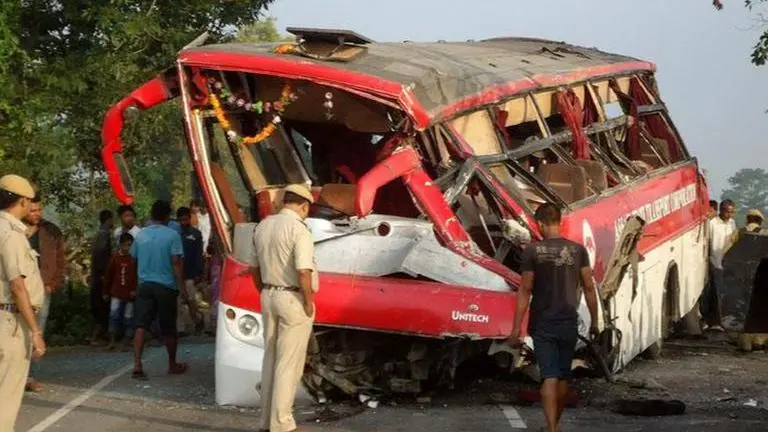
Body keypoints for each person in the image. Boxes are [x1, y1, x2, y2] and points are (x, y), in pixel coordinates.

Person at [508, 202, 599, 432]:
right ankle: (555, 426)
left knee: (548, 375)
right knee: (562, 376)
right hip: (568, 321)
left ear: (539, 223)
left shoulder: (532, 251)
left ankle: (550, 429)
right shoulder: (578, 251)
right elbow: (589, 286)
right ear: (559, 221)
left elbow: (525, 289)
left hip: (543, 323)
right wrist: (596, 322)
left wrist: (516, 327)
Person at [250, 184, 318, 432]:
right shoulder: (299, 229)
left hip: (268, 294)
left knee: (270, 358)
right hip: (293, 298)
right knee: (288, 363)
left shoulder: (263, 226)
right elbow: (303, 270)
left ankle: (265, 422)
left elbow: (253, 268)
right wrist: (308, 301)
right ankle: (282, 424)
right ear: (303, 205)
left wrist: (265, 290)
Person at [0, 174, 47, 431]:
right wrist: (36, 331)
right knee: (6, 398)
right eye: (29, 202)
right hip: (11, 322)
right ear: (21, 201)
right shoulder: (11, 234)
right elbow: (17, 285)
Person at [131, 200, 188, 379]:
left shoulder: (140, 236)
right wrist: (182, 289)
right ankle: (172, 364)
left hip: (145, 285)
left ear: (151, 214)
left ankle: (137, 364)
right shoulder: (172, 235)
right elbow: (176, 264)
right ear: (166, 217)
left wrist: (136, 283)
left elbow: (133, 260)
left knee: (140, 325)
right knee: (169, 328)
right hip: (166, 286)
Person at [23, 194, 66, 392]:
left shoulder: (51, 231)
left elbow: (60, 260)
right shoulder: (12, 230)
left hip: (42, 288)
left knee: (37, 331)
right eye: (32, 210)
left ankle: (30, 376)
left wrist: (53, 284)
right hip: (17, 289)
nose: (37, 214)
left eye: (39, 209)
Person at [702, 199, 736, 332]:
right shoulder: (713, 223)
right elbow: (708, 242)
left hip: (727, 263)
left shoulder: (732, 223)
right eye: (728, 212)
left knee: (724, 294)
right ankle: (713, 321)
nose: (730, 215)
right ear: (721, 211)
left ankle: (722, 321)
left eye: (732, 212)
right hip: (714, 261)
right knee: (714, 293)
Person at [104, 232, 138, 350]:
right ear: (121, 245)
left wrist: (135, 290)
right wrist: (106, 292)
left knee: (128, 318)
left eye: (130, 245)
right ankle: (112, 341)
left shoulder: (133, 259)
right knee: (114, 316)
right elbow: (109, 276)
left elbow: (136, 276)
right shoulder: (115, 258)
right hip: (116, 292)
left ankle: (126, 341)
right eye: (126, 245)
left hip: (130, 294)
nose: (128, 248)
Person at [177, 206, 204, 335]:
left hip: (190, 273)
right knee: (179, 301)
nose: (184, 222)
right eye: (181, 220)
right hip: (177, 273)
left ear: (189, 218)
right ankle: (181, 328)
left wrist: (199, 272)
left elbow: (199, 254)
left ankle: (197, 320)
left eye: (185, 219)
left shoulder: (196, 234)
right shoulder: (175, 235)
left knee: (190, 299)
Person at [90, 209, 114, 345]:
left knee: (100, 308)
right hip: (100, 279)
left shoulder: (100, 234)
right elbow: (101, 256)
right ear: (108, 219)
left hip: (98, 278)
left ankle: (99, 335)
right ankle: (96, 337)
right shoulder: (103, 235)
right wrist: (104, 275)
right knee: (101, 308)